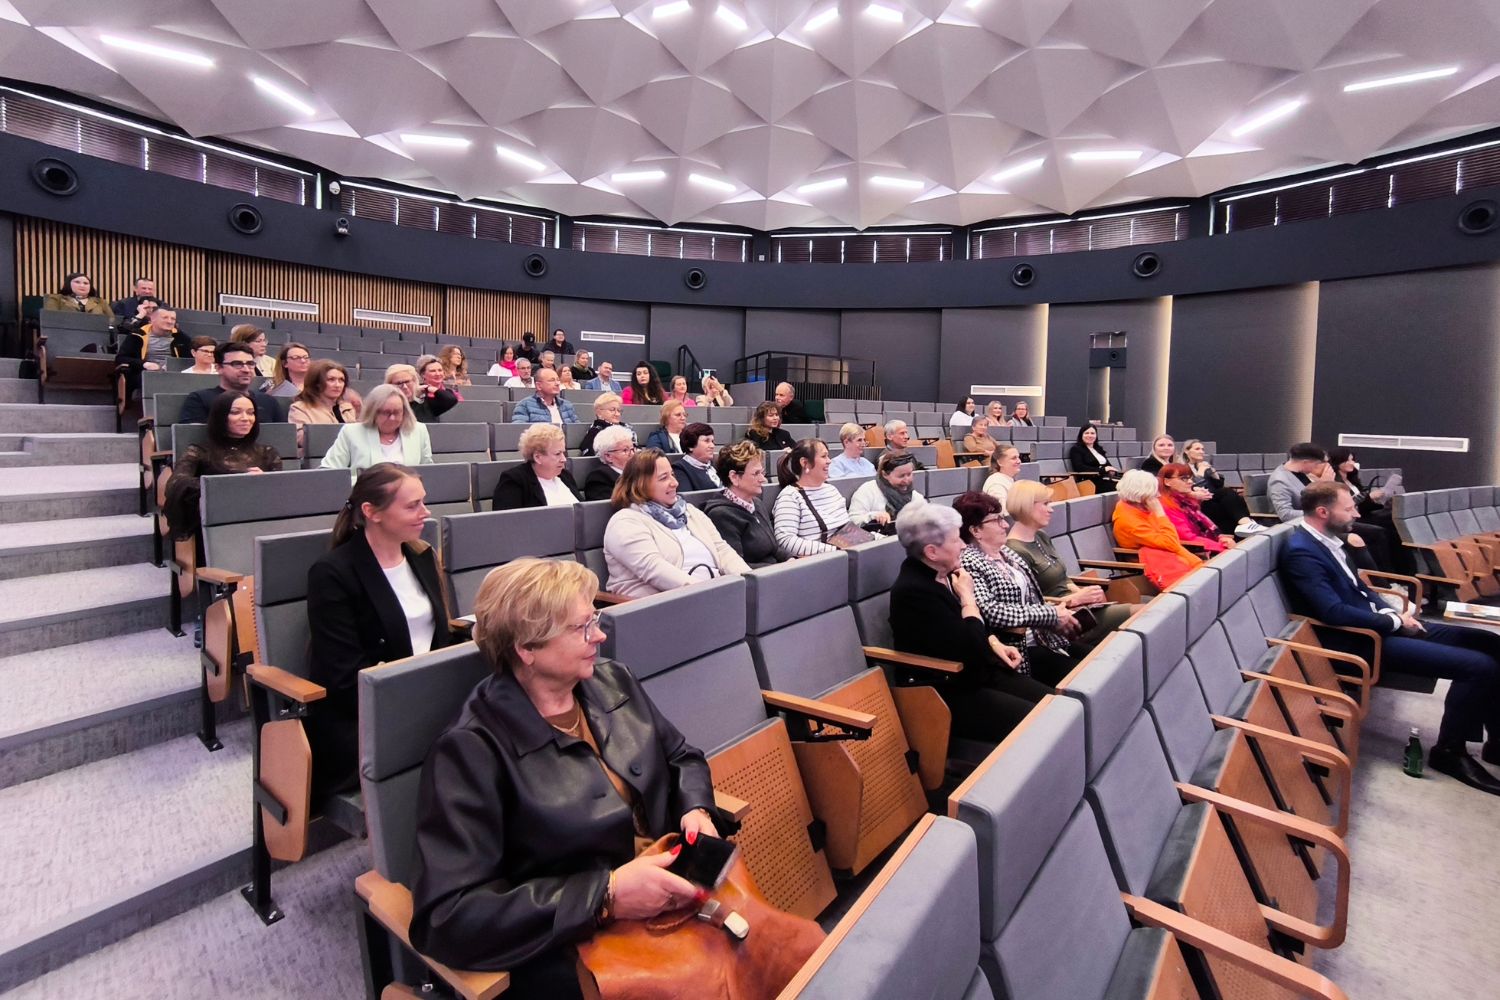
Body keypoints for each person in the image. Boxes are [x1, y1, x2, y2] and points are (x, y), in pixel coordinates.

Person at [407, 558, 726, 992]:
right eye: (581, 628)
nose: (600, 635)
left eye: (595, 618)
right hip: (577, 945)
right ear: (527, 649)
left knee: (779, 951)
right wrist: (606, 895)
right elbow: (449, 917)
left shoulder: (613, 681)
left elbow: (681, 756)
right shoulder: (471, 749)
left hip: (668, 896)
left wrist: (696, 809)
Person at [1280, 481, 1500, 795]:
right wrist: (1394, 621)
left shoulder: (1329, 541)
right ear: (1323, 512)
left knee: (1491, 643)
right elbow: (1333, 612)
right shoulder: (1301, 552)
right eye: (1349, 508)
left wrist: (1393, 612)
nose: (1357, 513)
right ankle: (1450, 751)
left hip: (1379, 625)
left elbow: (1361, 589)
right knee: (1478, 667)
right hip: (1358, 641)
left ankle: (1496, 742)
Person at [308, 464, 457, 799]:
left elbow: (439, 638)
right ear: (371, 512)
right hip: (369, 715)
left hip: (424, 695)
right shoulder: (332, 573)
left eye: (423, 502)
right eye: (412, 505)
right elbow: (343, 678)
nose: (425, 512)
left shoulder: (421, 555)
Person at [889, 503, 1051, 745]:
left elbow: (976, 633)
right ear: (932, 552)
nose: (964, 546)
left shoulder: (947, 572)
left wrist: (994, 642)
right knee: (1043, 724)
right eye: (956, 540)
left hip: (976, 672)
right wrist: (968, 599)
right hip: (946, 687)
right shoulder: (914, 591)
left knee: (1057, 705)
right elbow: (971, 647)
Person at [954, 491, 1081, 685]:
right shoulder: (969, 562)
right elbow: (991, 611)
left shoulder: (1006, 552)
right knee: (1084, 676)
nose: (1005, 525)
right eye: (997, 520)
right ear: (976, 530)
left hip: (1043, 636)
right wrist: (1051, 615)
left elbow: (1031, 598)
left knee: (1098, 659)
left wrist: (1057, 614)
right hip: (1018, 648)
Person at [604, 450, 749, 598]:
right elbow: (654, 569)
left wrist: (750, 581)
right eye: (663, 478)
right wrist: (710, 593)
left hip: (711, 594)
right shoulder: (625, 522)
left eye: (672, 474)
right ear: (641, 484)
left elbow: (722, 550)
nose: (675, 483)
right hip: (664, 603)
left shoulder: (690, 512)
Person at [1005, 481, 1132, 650]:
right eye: (1045, 504)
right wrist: (1075, 599)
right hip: (1061, 621)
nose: (1051, 509)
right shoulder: (1014, 550)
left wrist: (1086, 595)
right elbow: (1030, 605)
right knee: (1140, 614)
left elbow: (1063, 578)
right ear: (1027, 506)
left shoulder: (1041, 536)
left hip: (1080, 609)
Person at [161, 391, 282, 540]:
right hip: (215, 524)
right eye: (235, 412)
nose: (246, 418)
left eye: (251, 413)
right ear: (221, 416)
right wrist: (231, 482)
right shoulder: (200, 451)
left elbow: (281, 492)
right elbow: (176, 483)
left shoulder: (267, 453)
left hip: (261, 521)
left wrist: (265, 480)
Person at [1112, 469, 1203, 588]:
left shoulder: (1139, 508)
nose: (1158, 496)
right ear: (1141, 496)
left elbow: (1171, 540)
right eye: (1154, 493)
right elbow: (1171, 543)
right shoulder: (1129, 521)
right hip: (1156, 566)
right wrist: (1160, 513)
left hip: (1175, 558)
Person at [321, 384, 433, 479]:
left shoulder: (419, 431)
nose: (392, 418)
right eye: (386, 412)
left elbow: (428, 472)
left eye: (397, 412)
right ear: (373, 412)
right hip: (365, 494)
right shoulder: (351, 432)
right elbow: (328, 471)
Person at [702, 442, 786, 567]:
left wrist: (792, 560)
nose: (763, 479)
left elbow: (774, 548)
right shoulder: (721, 515)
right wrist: (780, 569)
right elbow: (737, 567)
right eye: (756, 473)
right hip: (760, 576)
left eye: (762, 472)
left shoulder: (756, 503)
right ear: (734, 477)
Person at [772, 438, 850, 556]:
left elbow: (847, 528)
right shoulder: (790, 496)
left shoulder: (832, 490)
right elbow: (785, 541)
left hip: (847, 553)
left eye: (828, 456)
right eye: (823, 456)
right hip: (824, 560)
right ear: (805, 463)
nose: (829, 461)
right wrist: (836, 551)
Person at [179, 342, 279, 424]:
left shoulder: (268, 401)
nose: (246, 370)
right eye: (237, 364)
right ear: (218, 368)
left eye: (250, 364)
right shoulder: (199, 399)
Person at [1179, 438, 1258, 538]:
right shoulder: (1181, 468)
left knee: (1231, 501)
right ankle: (1247, 524)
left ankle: (1244, 526)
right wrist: (1201, 472)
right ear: (1186, 451)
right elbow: (1193, 487)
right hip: (1198, 503)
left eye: (1203, 449)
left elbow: (1218, 485)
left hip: (1212, 500)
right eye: (1197, 449)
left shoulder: (1201, 465)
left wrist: (1213, 472)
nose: (1201, 452)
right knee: (1227, 493)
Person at [492, 424, 582, 510]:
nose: (564, 459)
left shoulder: (565, 476)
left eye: (563, 453)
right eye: (558, 454)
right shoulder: (514, 481)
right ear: (538, 457)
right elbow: (507, 519)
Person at [114, 305, 189, 401]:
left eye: (173, 319)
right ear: (153, 319)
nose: (170, 321)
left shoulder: (181, 337)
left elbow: (190, 359)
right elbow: (121, 358)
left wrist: (173, 366)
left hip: (173, 374)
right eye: (165, 318)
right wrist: (144, 364)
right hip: (145, 373)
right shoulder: (137, 335)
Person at [1158, 463, 1232, 554]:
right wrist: (1223, 547)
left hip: (1206, 546)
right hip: (1192, 552)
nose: (1190, 482)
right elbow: (1188, 539)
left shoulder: (1186, 502)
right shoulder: (1165, 507)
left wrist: (1222, 539)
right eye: (1184, 479)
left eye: (1190, 478)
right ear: (1167, 482)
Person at [289, 360, 359, 448]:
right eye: (331, 380)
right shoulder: (300, 408)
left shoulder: (347, 408)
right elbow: (302, 440)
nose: (337, 385)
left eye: (341, 380)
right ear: (316, 383)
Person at [848, 451, 924, 530]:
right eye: (901, 476)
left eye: (909, 474)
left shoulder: (914, 496)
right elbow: (853, 520)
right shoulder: (867, 491)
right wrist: (873, 516)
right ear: (884, 474)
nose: (907, 480)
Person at [1268, 442, 1330, 523]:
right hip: (1295, 525)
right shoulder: (1279, 481)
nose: (1316, 467)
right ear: (1305, 462)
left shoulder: (1301, 473)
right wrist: (1317, 514)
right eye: (1316, 464)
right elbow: (1285, 514)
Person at [387, 362, 459, 424]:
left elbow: (450, 399)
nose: (405, 387)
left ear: (414, 382)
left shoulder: (426, 404)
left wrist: (428, 388)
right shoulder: (386, 406)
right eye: (399, 383)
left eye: (407, 382)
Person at [582, 425, 636, 501]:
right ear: (608, 456)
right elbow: (610, 506)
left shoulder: (640, 471)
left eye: (632, 449)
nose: (632, 454)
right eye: (625, 450)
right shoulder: (599, 478)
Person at [511, 368, 579, 425]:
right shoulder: (524, 405)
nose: (557, 383)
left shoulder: (567, 405)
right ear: (539, 386)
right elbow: (519, 430)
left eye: (558, 380)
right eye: (552, 380)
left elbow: (577, 429)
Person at [670, 422, 721, 492]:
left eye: (712, 441)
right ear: (691, 446)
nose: (712, 446)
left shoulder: (717, 464)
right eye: (706, 441)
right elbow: (689, 497)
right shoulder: (680, 469)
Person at [579, 392, 634, 456]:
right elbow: (589, 455)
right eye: (612, 410)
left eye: (619, 410)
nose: (617, 414)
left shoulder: (627, 428)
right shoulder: (595, 431)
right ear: (599, 412)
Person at [1068, 424, 1120, 490]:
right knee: (1120, 487)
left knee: (1126, 484)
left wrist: (1111, 470)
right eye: (1086, 433)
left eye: (1092, 433)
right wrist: (1103, 470)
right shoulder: (1076, 449)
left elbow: (1108, 465)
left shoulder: (1098, 449)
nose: (1090, 435)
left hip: (1104, 478)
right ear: (1081, 435)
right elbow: (1079, 468)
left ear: (1096, 435)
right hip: (1089, 481)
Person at [43, 272, 112, 316]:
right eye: (77, 282)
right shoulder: (55, 299)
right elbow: (50, 319)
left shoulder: (101, 302)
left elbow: (112, 321)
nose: (82, 285)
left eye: (86, 283)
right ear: (68, 284)